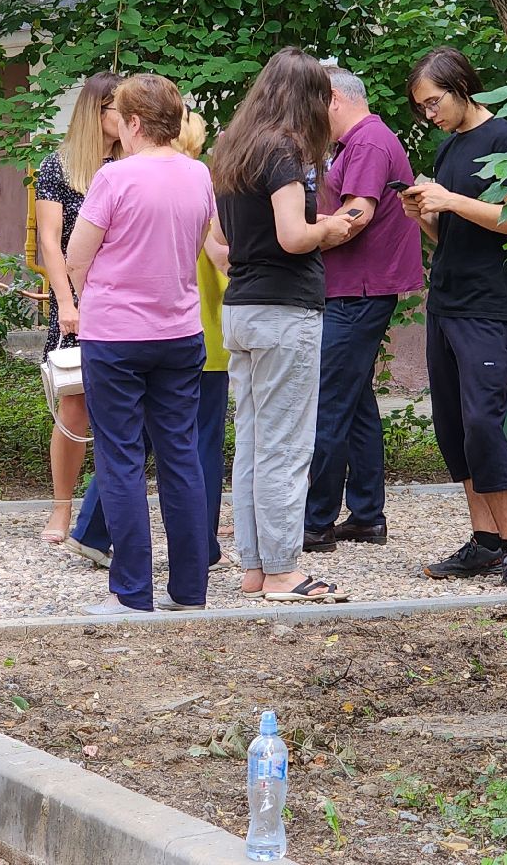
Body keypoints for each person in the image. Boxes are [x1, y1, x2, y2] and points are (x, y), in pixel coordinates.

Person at [211, 47, 360, 603]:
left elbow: (229, 238)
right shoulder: (287, 150)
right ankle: (281, 572)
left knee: (252, 443)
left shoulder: (235, 147)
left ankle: (255, 567)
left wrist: (312, 225)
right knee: (286, 447)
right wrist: (335, 227)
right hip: (284, 311)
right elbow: (294, 237)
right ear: (309, 100)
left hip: (242, 308)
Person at [66, 74, 216, 614]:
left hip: (117, 337)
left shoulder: (114, 178)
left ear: (133, 123)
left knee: (120, 459)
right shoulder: (199, 175)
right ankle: (189, 589)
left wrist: (94, 292)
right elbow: (197, 244)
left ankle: (132, 593)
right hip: (180, 331)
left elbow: (76, 256)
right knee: (181, 456)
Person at [400, 46, 507, 591]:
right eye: (422, 108)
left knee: (484, 420)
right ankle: (483, 543)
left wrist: (453, 201)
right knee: (453, 426)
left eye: (434, 102)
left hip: (489, 305)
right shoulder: (448, 147)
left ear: (462, 86)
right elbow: (455, 236)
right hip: (446, 300)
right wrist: (426, 217)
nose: (430, 114)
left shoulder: (505, 139)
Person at [302, 66, 424, 551]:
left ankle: (315, 523)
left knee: (328, 403)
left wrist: (298, 235)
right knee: (355, 404)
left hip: (358, 291)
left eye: (313, 103)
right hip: (356, 289)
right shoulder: (356, 143)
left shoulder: (368, 142)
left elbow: (359, 213)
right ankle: (368, 515)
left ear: (333, 97)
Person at [34, 72, 124, 544]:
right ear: (98, 111)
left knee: (124, 410)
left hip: (126, 299)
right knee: (74, 406)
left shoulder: (131, 162)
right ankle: (62, 508)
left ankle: (105, 510)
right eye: (117, 108)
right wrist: (66, 302)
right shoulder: (59, 166)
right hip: (77, 302)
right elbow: (49, 241)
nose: (127, 117)